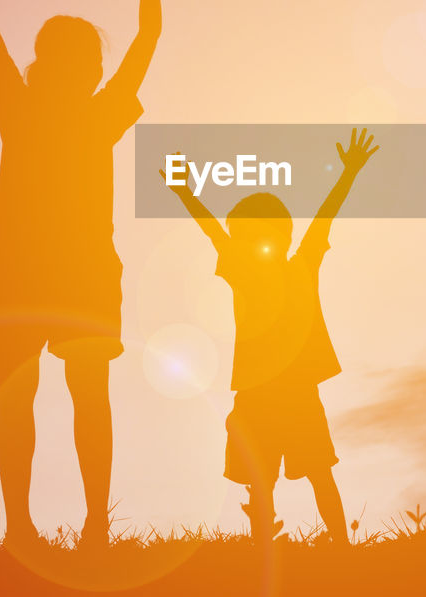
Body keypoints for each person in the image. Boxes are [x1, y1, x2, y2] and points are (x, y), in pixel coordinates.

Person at [0, 0, 161, 551]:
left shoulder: (34, 107)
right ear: (52, 62)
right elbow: (145, 43)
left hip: (51, 263)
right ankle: (50, 526)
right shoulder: (66, 110)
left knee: (55, 399)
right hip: (49, 263)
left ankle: (76, 525)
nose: (89, 66)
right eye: (81, 57)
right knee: (60, 398)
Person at [162, 128, 379, 545]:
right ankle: (314, 547)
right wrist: (182, 191)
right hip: (270, 393)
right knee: (271, 481)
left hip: (286, 393)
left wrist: (182, 189)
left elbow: (322, 219)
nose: (246, 242)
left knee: (306, 475)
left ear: (280, 236)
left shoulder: (295, 267)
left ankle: (338, 546)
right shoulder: (277, 268)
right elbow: (215, 230)